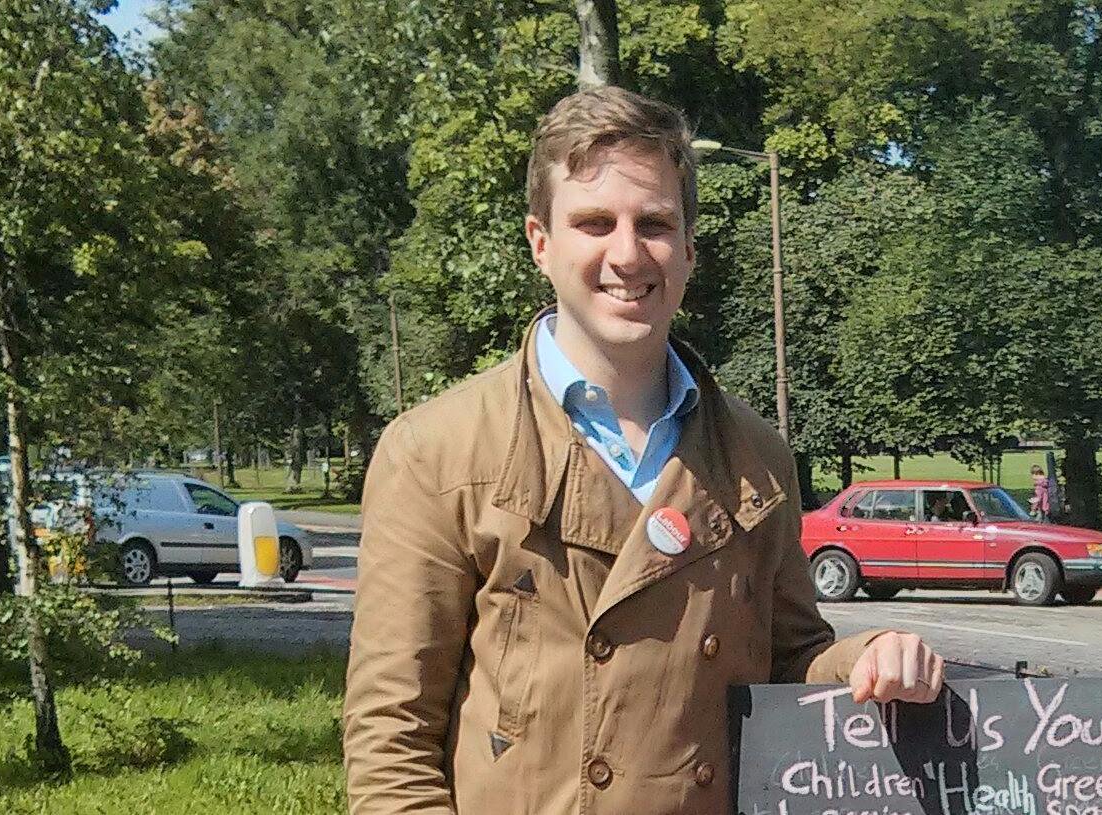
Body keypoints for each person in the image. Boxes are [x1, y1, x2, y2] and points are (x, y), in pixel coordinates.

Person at [343, 87, 945, 815]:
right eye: (595, 222)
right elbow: (391, 744)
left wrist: (869, 653)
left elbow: (790, 664)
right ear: (541, 241)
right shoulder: (434, 453)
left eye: (654, 224)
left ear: (689, 248)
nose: (627, 254)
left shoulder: (758, 457)